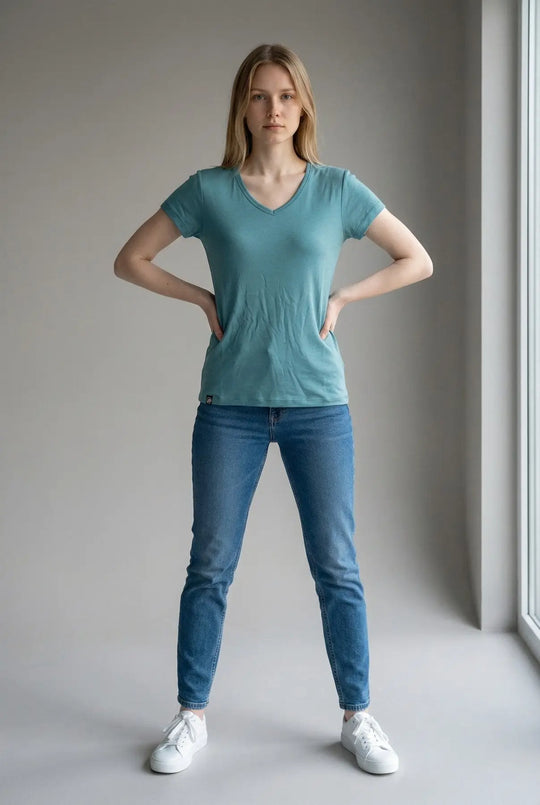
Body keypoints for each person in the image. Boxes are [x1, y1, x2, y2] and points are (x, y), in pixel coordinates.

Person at [114, 42, 433, 777]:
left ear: (303, 105)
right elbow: (131, 257)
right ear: (242, 107)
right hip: (229, 406)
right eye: (259, 96)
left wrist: (347, 296)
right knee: (210, 565)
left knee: (338, 566)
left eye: (286, 96)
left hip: (319, 405)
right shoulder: (209, 191)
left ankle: (358, 715)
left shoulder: (335, 189)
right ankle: (190, 715)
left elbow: (416, 257)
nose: (273, 110)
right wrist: (199, 297)